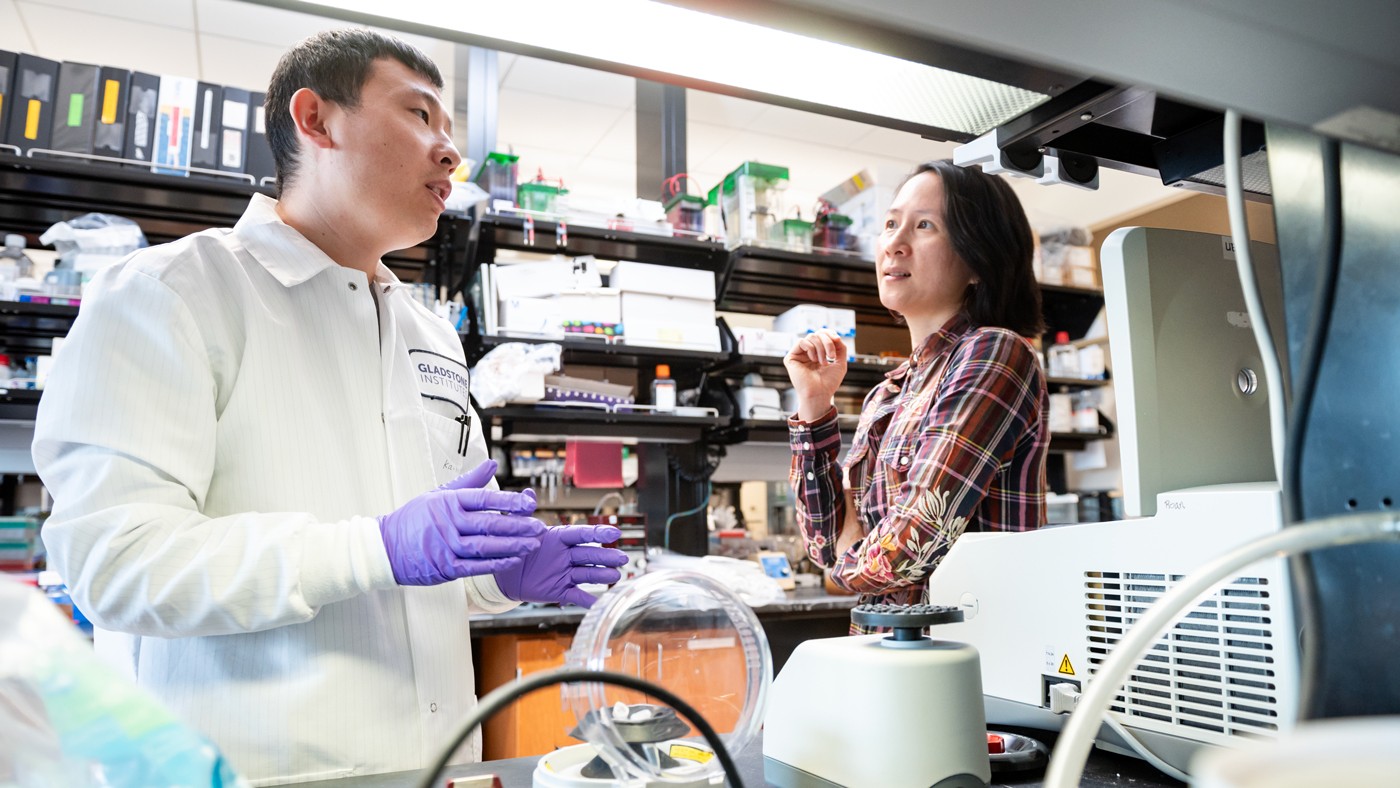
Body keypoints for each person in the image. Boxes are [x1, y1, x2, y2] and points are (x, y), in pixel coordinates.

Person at [32, 29, 626, 784]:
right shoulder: (172, 293)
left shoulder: (430, 335)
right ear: (315, 120)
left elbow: (432, 566)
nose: (451, 154)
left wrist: (499, 577)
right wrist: (374, 547)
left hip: (439, 767)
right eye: (420, 116)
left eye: (453, 134)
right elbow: (112, 563)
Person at [785, 160, 1048, 633]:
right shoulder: (888, 391)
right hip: (889, 663)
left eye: (924, 225)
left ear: (978, 260)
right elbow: (822, 542)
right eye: (890, 223)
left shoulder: (993, 353)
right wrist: (814, 407)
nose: (894, 242)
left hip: (974, 672)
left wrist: (846, 563)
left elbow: (910, 544)